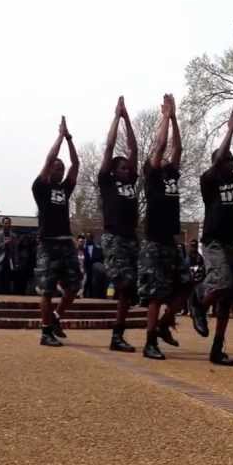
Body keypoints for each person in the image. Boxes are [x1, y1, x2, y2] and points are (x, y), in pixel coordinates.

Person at [192, 104, 233, 366]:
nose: (230, 163)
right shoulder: (208, 181)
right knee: (222, 282)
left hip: (232, 241)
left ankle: (217, 348)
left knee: (227, 299)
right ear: (217, 164)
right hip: (213, 241)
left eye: (232, 160)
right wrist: (228, 130)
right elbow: (219, 158)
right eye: (225, 160)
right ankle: (197, 299)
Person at [137, 94, 190, 360]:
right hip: (154, 240)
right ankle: (150, 342)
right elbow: (160, 146)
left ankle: (163, 325)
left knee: (186, 285)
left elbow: (177, 148)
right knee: (156, 293)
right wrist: (165, 117)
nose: (166, 159)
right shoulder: (152, 174)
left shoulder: (172, 173)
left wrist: (176, 118)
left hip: (170, 240)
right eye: (160, 159)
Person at [32, 116, 83, 347]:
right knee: (48, 290)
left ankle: (54, 317)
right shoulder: (41, 186)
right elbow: (50, 157)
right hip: (48, 243)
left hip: (66, 244)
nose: (61, 170)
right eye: (57, 167)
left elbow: (76, 165)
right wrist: (60, 137)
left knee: (74, 287)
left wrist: (70, 139)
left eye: (62, 169)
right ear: (49, 169)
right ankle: (45, 332)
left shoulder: (64, 188)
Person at [97, 96, 140, 351]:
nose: (126, 170)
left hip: (131, 238)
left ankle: (117, 335)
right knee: (123, 284)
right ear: (114, 171)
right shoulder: (107, 181)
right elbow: (109, 147)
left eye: (128, 168)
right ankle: (105, 271)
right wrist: (116, 117)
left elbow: (133, 149)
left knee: (129, 290)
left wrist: (127, 119)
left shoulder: (130, 183)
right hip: (113, 237)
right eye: (122, 168)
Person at [0, 217, 18, 294]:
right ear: (2, 224)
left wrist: (16, 262)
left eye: (9, 223)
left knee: (8, 278)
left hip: (9, 260)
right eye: (6, 223)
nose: (7, 224)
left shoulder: (13, 235)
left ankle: (6, 294)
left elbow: (15, 250)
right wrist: (4, 243)